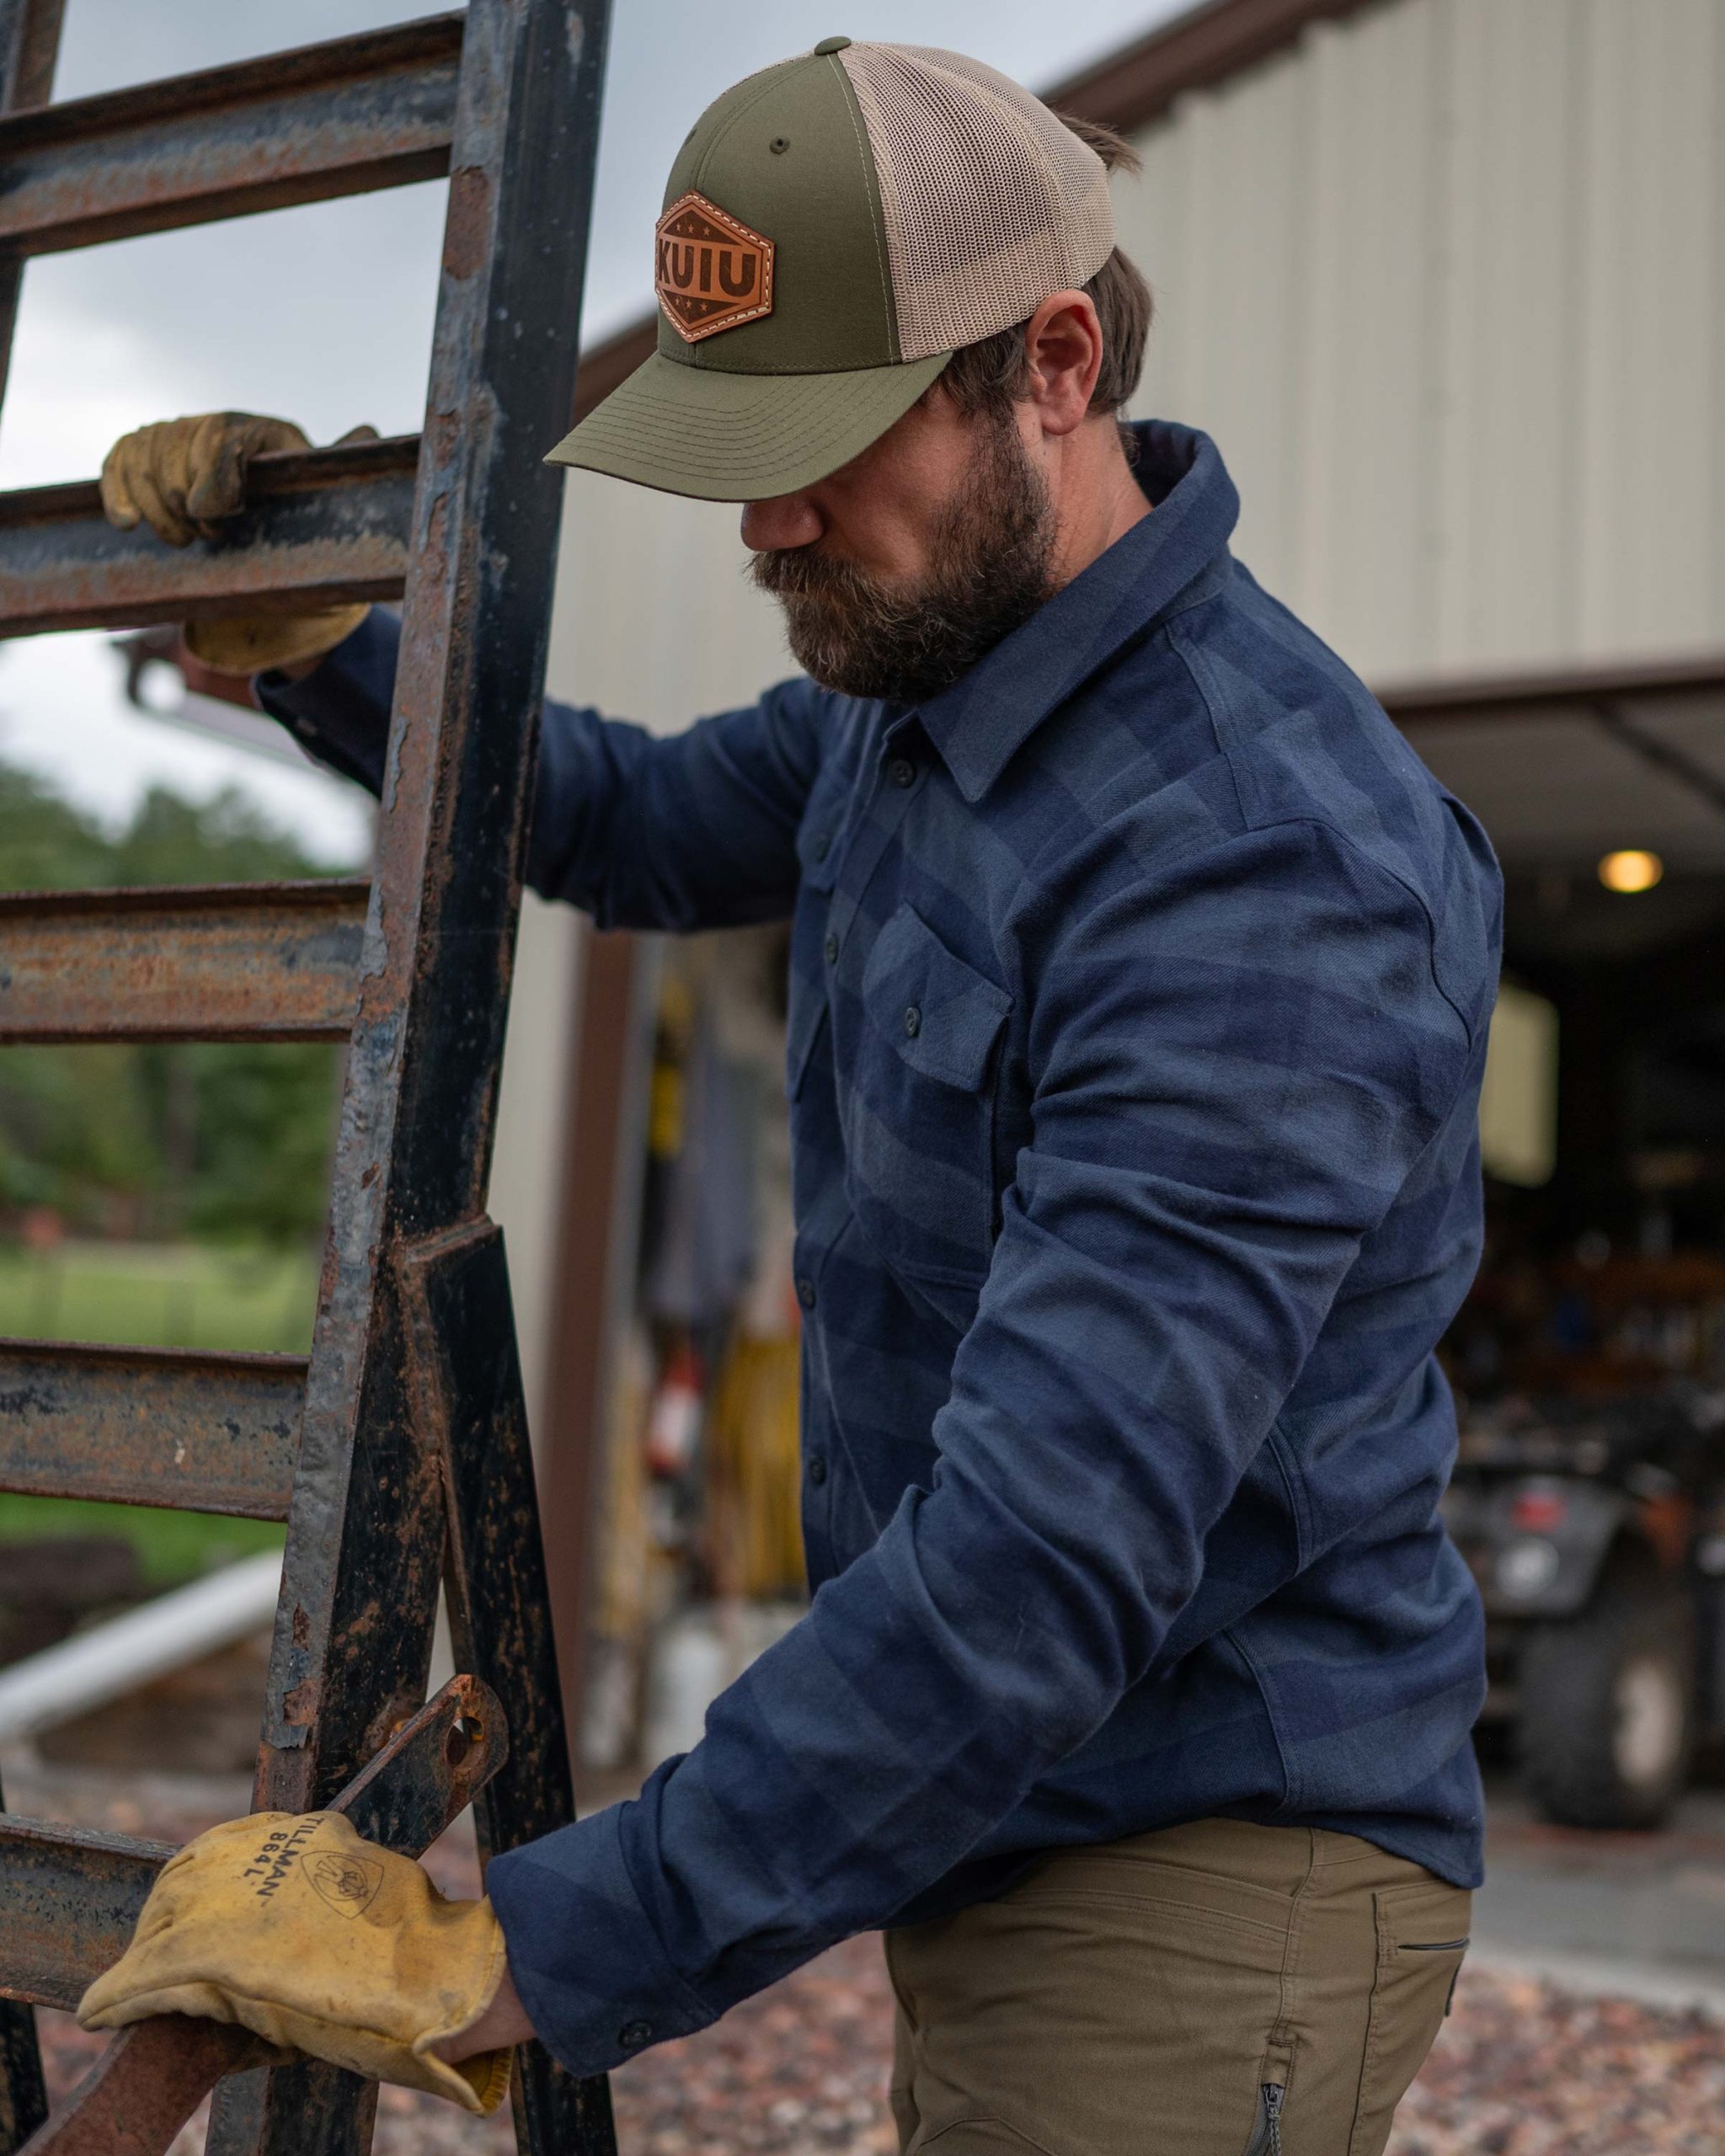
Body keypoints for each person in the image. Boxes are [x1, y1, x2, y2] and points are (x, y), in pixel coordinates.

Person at [84, 40, 1502, 2155]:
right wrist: (316, 647)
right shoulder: (912, 690)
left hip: (1210, 1859)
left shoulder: (1253, 868)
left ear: (1048, 361)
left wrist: (515, 1951)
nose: (765, 521)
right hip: (1006, 1806)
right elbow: (633, 818)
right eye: (734, 448)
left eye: (822, 443)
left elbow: (1041, 1558)